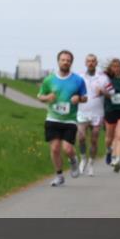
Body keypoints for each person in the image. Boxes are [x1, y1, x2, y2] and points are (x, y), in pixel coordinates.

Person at [37, 50, 87, 187]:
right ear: (58, 61)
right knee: (54, 149)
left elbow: (85, 97)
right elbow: (40, 96)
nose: (65, 62)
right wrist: (47, 98)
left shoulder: (78, 80)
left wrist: (79, 98)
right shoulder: (49, 79)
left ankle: (73, 160)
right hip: (52, 118)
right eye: (63, 60)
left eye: (68, 60)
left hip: (69, 120)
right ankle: (59, 176)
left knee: (68, 149)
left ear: (71, 62)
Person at [77, 54, 110, 177]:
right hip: (82, 112)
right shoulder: (79, 76)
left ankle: (91, 164)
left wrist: (103, 91)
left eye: (93, 61)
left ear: (96, 63)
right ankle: (83, 158)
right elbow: (73, 90)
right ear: (85, 63)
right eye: (88, 61)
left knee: (94, 139)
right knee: (80, 137)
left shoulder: (103, 77)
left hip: (97, 113)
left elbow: (112, 93)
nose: (90, 63)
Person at [102, 58, 120, 173]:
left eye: (118, 66)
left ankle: (117, 160)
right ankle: (109, 151)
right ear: (110, 67)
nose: (116, 68)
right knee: (109, 138)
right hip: (110, 110)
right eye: (114, 66)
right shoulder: (106, 78)